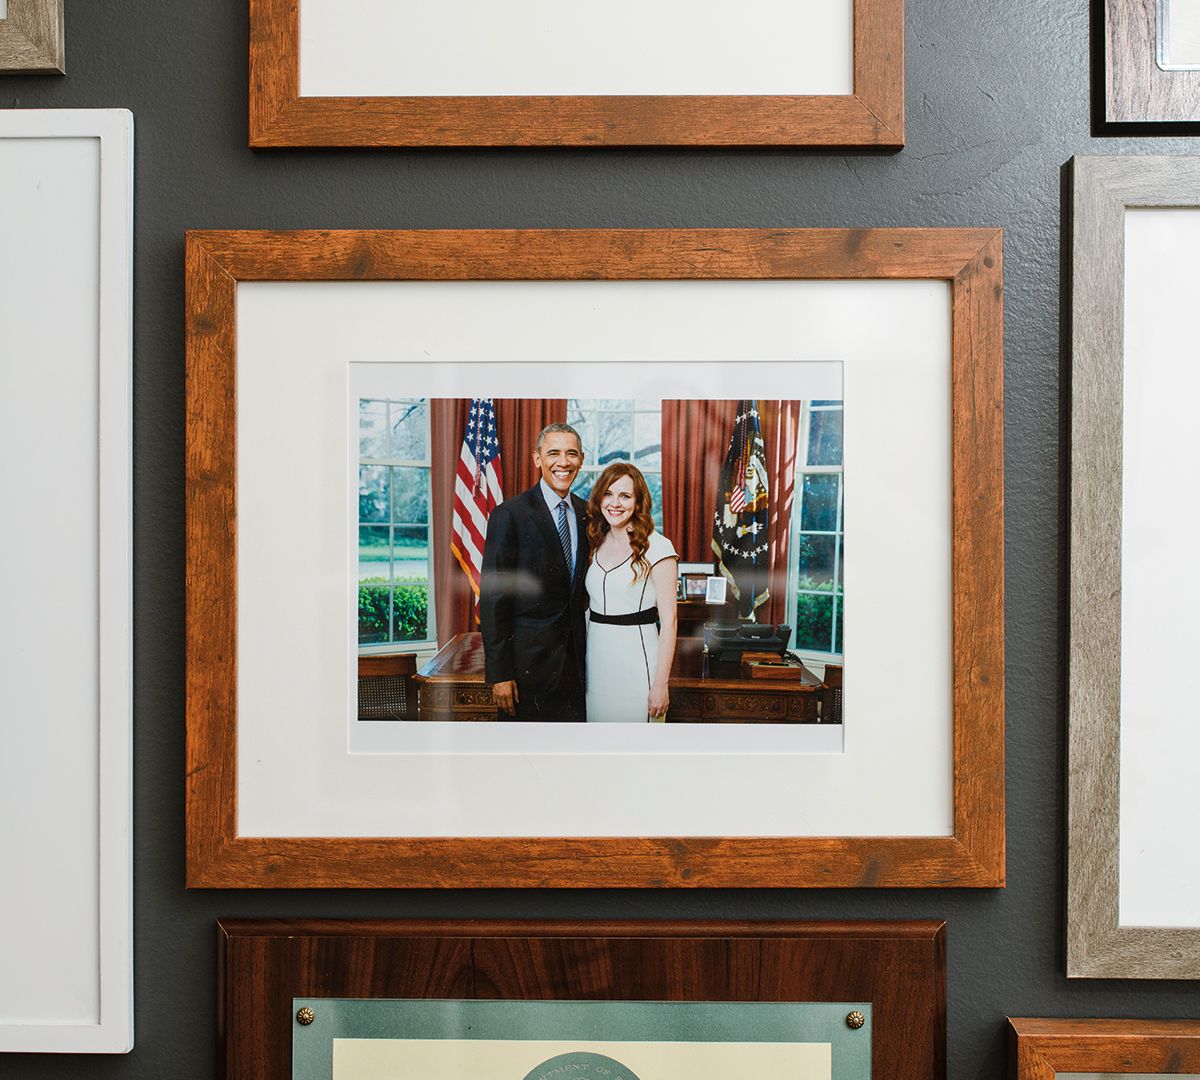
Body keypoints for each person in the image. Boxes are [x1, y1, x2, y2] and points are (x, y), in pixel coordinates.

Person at [479, 423, 589, 721]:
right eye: (553, 453)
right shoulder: (509, 515)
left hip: (579, 669)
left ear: (581, 459)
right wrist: (499, 674)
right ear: (537, 458)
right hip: (526, 671)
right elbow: (492, 600)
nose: (563, 462)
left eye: (571, 454)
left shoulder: (587, 513)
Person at [584, 463, 679, 723]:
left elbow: (669, 622)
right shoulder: (595, 543)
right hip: (596, 664)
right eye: (608, 494)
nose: (615, 503)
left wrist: (661, 685)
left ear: (638, 502)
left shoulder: (658, 547)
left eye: (625, 496)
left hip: (638, 664)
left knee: (637, 750)